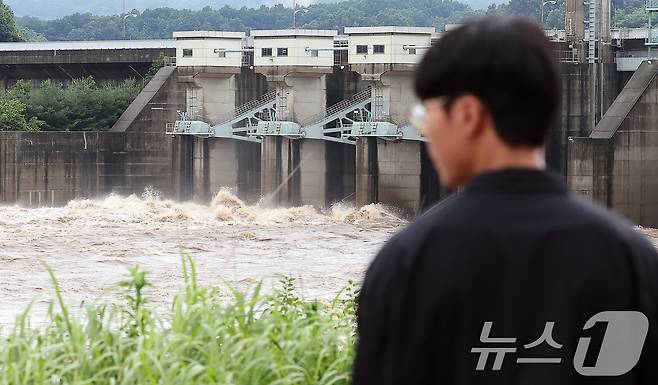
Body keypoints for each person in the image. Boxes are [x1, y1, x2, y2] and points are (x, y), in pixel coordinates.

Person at [352, 16, 658, 385]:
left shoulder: (409, 261)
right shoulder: (630, 258)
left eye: (426, 114)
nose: (426, 129)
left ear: (468, 114)